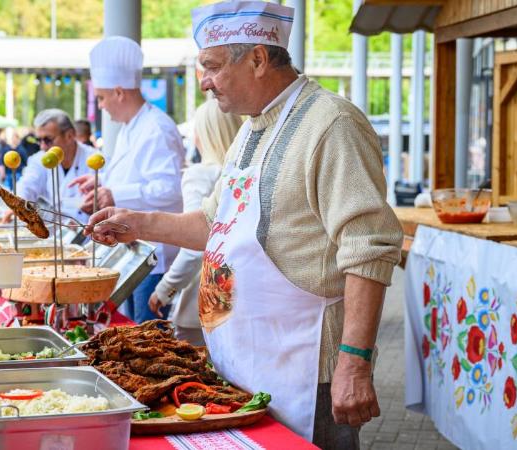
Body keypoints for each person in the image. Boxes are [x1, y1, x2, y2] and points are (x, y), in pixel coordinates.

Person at [85, 2, 403, 448]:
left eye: (212, 67)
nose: (204, 81)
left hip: (308, 367)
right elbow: (215, 224)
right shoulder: (251, 129)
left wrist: (355, 360)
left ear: (257, 59)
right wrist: (138, 223)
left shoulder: (331, 123)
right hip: (245, 359)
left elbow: (369, 247)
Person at [71, 36, 185, 324]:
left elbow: (169, 189)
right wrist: (100, 185)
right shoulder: (131, 127)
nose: (101, 106)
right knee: (131, 327)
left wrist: (113, 194)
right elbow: (130, 176)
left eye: (102, 97)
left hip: (154, 255)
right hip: (135, 248)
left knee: (147, 337)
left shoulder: (156, 127)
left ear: (120, 92)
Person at [147, 98, 241, 346]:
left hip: (202, 302)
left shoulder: (200, 175)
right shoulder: (243, 173)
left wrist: (164, 289)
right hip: (242, 299)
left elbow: (194, 244)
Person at [7, 109, 97, 225]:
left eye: (48, 140)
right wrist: (18, 202)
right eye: (39, 140)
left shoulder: (94, 159)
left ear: (69, 135)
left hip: (88, 233)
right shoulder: (38, 159)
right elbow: (27, 184)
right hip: (51, 232)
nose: (43, 146)